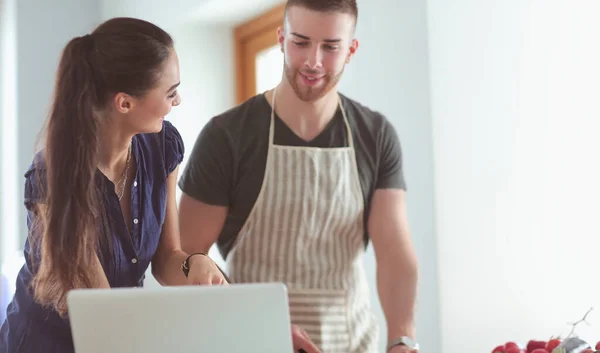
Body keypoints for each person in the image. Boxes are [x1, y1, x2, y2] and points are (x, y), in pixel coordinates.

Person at [0, 17, 316, 353]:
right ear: (124, 103)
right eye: (170, 92)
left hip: (118, 332)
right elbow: (104, 313)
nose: (177, 102)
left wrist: (193, 265)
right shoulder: (54, 177)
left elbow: (167, 258)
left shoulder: (161, 147)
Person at [177, 0, 420, 352]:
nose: (313, 61)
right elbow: (183, 258)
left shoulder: (376, 135)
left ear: (351, 49)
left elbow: (394, 251)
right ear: (280, 38)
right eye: (301, 42)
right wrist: (256, 323)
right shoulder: (226, 136)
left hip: (351, 343)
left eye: (330, 46)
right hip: (254, 343)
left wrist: (402, 338)